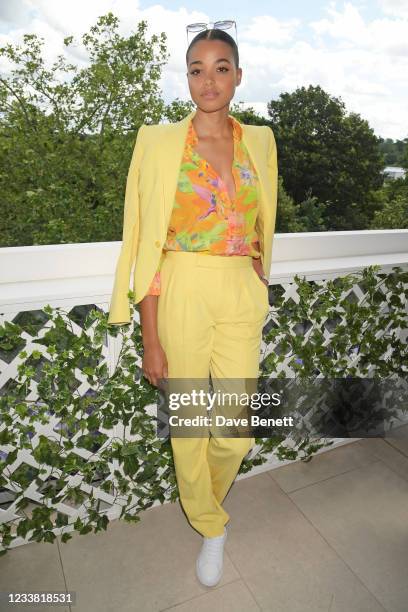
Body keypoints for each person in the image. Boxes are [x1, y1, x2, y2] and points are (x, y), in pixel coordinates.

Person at [108, 25, 278, 587]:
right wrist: (148, 335)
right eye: (197, 69)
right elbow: (143, 240)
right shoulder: (157, 142)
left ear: (237, 75)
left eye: (221, 67)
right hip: (178, 284)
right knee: (188, 422)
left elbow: (261, 217)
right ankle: (211, 524)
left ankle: (207, 503)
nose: (209, 79)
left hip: (239, 288)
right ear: (187, 78)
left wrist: (256, 265)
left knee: (234, 429)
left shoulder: (261, 140)